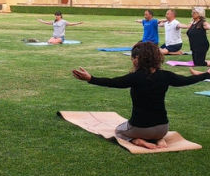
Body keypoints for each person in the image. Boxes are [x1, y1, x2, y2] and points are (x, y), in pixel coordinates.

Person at [72, 41, 210, 149]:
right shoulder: (166, 76)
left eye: (133, 59)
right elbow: (186, 81)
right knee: (153, 129)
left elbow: (113, 82)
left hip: (140, 128)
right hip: (163, 128)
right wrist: (206, 74)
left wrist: (90, 78)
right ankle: (158, 139)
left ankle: (138, 141)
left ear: (137, 59)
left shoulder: (136, 77)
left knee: (119, 130)